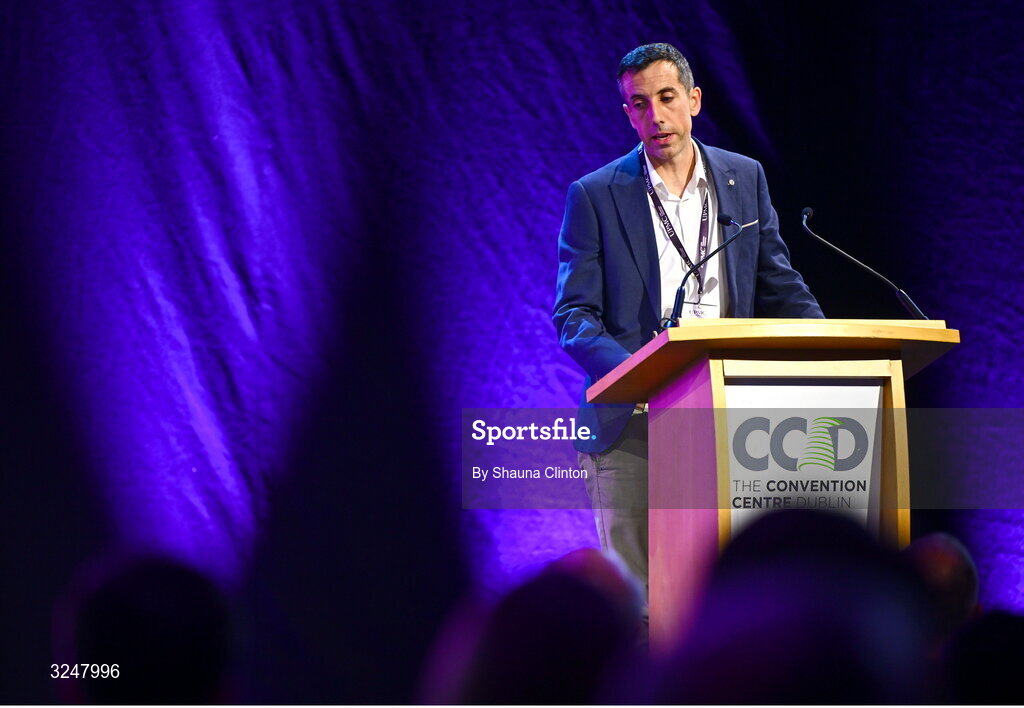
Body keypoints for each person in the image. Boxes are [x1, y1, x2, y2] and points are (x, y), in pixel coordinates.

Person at [552, 43, 823, 606]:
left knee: (732, 602)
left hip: (732, 423)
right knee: (643, 609)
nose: (655, 116)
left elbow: (777, 281)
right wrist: (645, 374)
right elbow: (574, 316)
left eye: (666, 98)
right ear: (627, 113)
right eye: (638, 104)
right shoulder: (596, 195)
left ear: (694, 100)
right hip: (632, 430)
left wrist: (827, 345)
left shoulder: (743, 179)